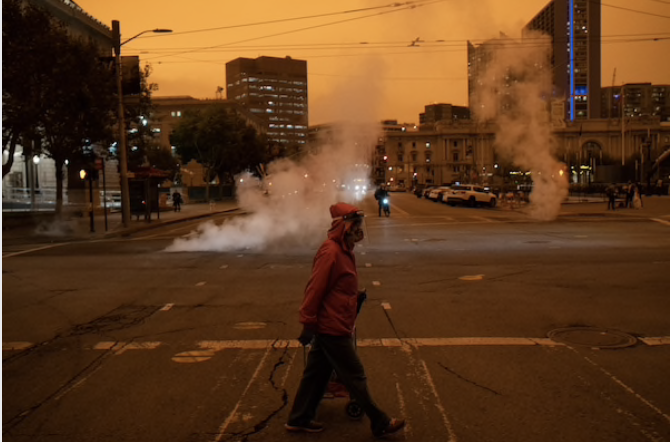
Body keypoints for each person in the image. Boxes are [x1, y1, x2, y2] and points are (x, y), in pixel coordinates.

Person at [285, 202, 405, 438]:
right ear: (343, 227)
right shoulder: (331, 252)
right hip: (332, 326)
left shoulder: (343, 250)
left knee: (316, 375)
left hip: (336, 321)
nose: (360, 229)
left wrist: (354, 297)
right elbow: (315, 289)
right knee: (354, 374)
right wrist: (308, 322)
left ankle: (299, 419)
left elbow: (336, 287)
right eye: (356, 224)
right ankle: (379, 421)